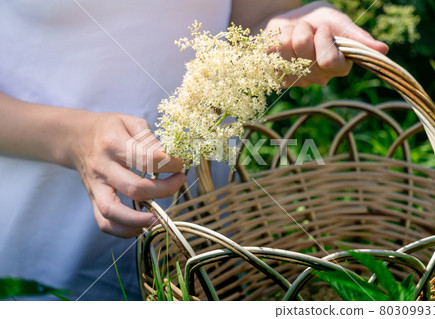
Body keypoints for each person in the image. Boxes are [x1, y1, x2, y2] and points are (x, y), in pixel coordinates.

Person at [0, 0, 388, 300]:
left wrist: (290, 30)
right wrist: (74, 140)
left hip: (210, 247)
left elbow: (258, 19)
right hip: (33, 259)